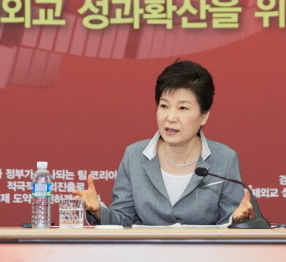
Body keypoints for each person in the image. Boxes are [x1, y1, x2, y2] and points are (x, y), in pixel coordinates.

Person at [74, 59, 252, 226]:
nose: (170, 117)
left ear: (204, 116)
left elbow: (229, 224)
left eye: (183, 108)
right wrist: (98, 211)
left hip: (203, 250)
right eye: (164, 106)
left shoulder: (224, 159)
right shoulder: (134, 156)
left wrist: (237, 219)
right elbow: (122, 220)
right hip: (145, 250)